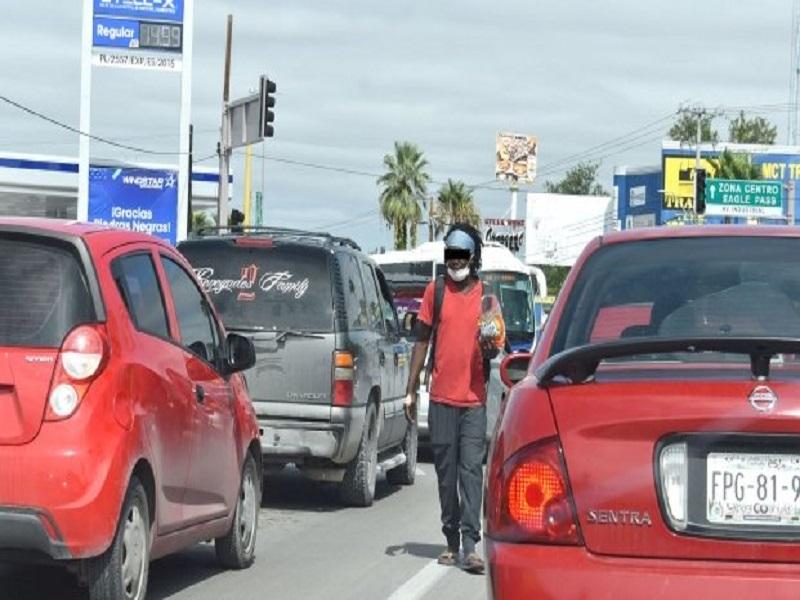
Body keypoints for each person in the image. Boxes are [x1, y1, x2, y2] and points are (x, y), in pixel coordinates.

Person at [403, 224, 499, 575]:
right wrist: (410, 389)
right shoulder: (435, 291)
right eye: (451, 255)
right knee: (446, 474)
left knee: (471, 471)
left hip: (474, 401)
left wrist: (492, 344)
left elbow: (495, 344)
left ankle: (471, 544)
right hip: (442, 398)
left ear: (473, 259)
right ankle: (451, 541)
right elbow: (422, 341)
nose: (455, 262)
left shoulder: (487, 298)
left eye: (461, 256)